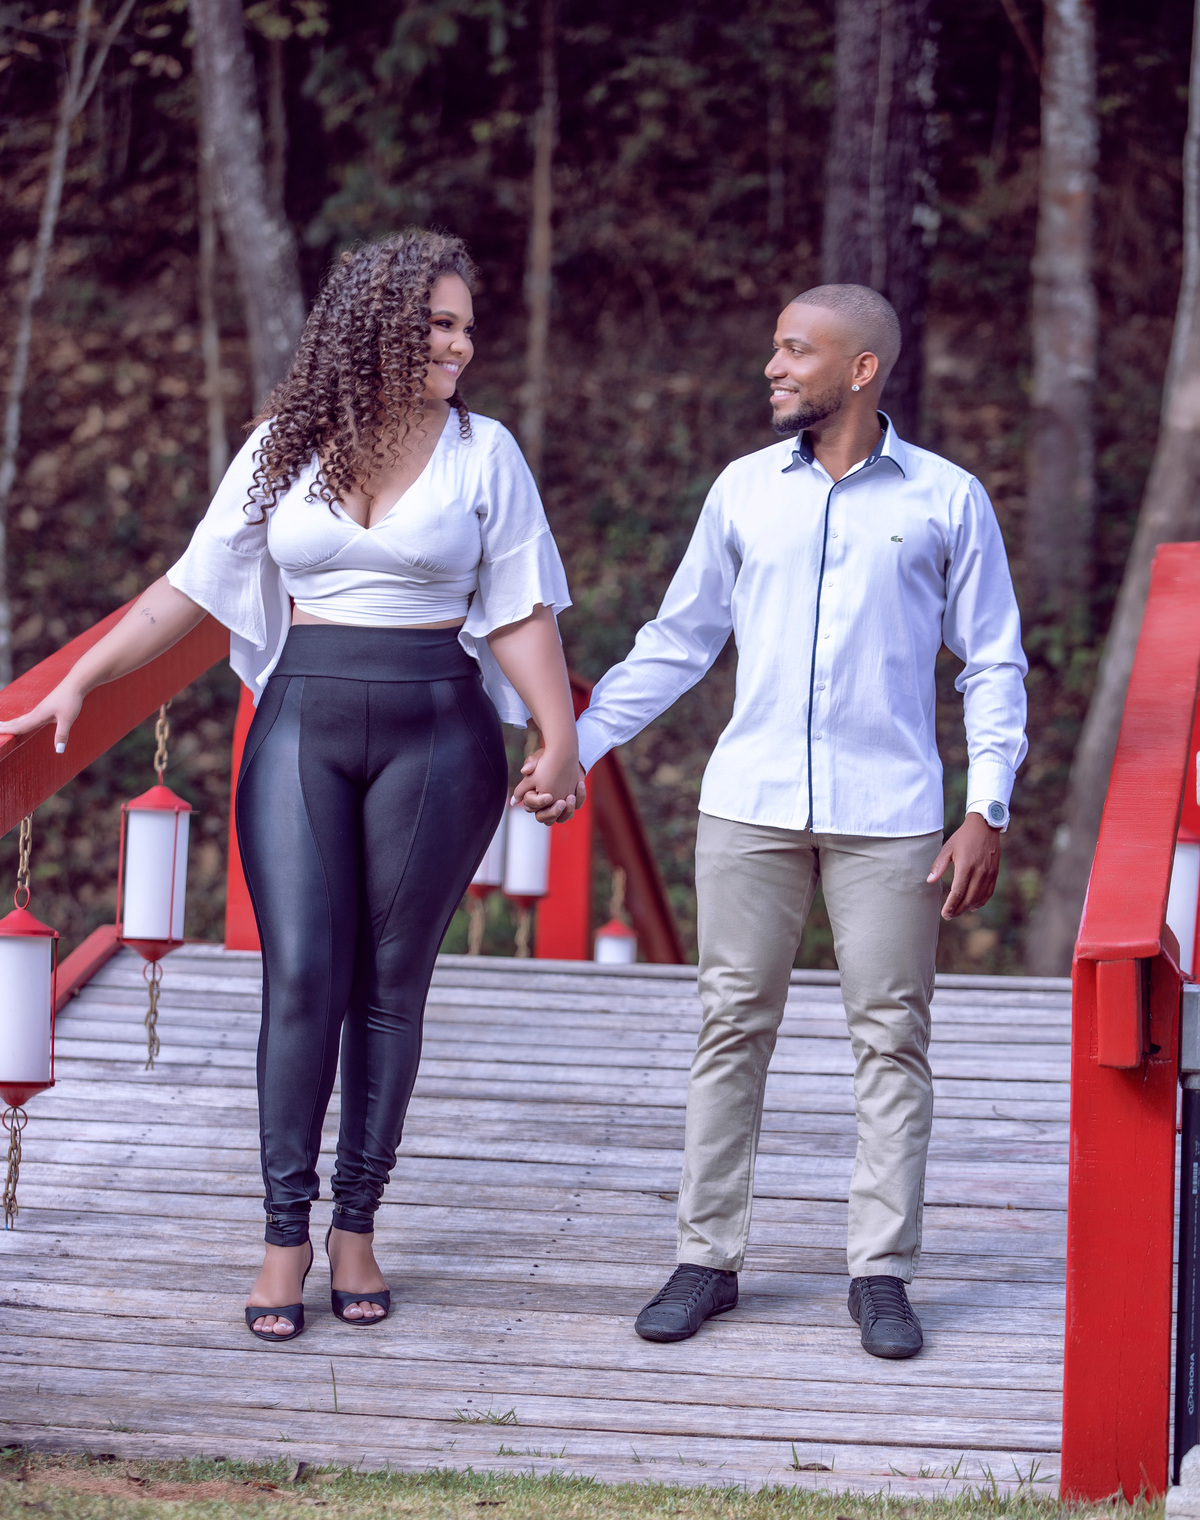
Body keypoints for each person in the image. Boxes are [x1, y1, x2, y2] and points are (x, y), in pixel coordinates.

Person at [1, 229, 584, 1342]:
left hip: (438, 731)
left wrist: (558, 738)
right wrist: (78, 679)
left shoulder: (484, 452)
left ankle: (356, 1226)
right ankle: (284, 1234)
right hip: (302, 723)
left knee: (390, 985)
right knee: (303, 977)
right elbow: (190, 589)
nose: (461, 346)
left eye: (467, 327)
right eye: (439, 325)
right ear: (377, 328)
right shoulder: (284, 446)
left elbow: (520, 606)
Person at [517, 283, 1027, 1361]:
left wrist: (986, 806)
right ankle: (706, 1259)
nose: (774, 367)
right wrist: (579, 743)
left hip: (890, 813)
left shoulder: (948, 499)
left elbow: (992, 662)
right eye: (776, 348)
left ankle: (881, 1273)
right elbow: (679, 639)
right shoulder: (744, 490)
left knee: (891, 1037)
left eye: (797, 350)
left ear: (862, 369)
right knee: (729, 1027)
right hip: (748, 805)